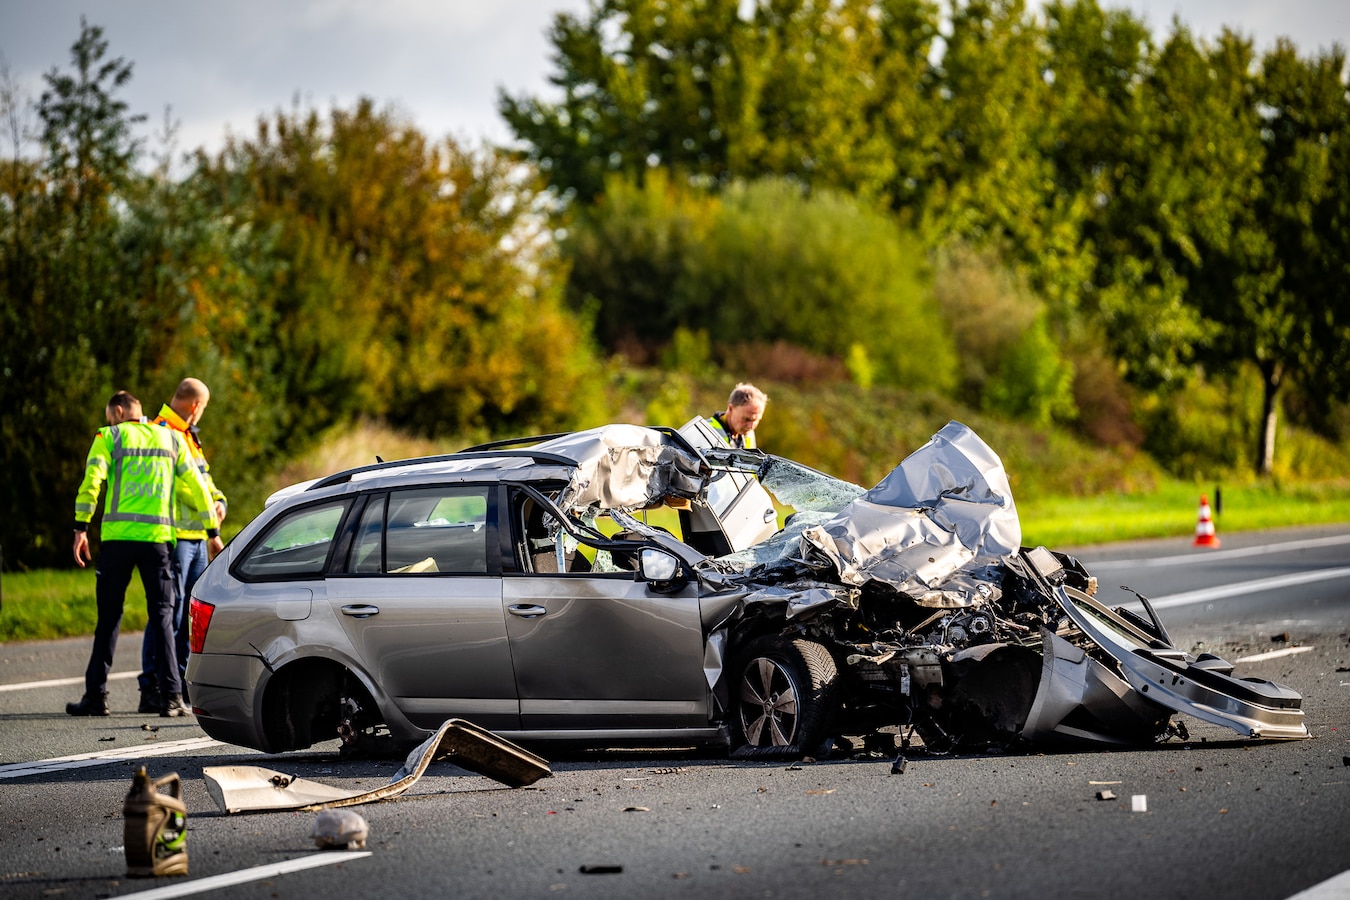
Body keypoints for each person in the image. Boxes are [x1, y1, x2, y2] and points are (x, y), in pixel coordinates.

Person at [69, 390, 222, 718]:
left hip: (116, 542)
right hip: (157, 542)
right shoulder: (171, 439)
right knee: (164, 619)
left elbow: (91, 482)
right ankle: (170, 698)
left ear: (119, 412)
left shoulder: (108, 436)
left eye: (111, 416)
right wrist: (213, 532)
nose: (110, 421)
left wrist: (80, 528)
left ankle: (96, 697)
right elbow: (197, 488)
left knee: (109, 620)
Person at [137, 378, 227, 713]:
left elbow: (205, 481)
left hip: (196, 537)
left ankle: (180, 682)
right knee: (167, 614)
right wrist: (208, 513)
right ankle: (153, 684)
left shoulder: (188, 435)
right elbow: (178, 487)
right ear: (195, 405)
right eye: (203, 407)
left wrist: (219, 503)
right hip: (174, 537)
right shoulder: (161, 432)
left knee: (189, 615)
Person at [707, 382, 767, 450]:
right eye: (746, 419)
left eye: (756, 420)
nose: (751, 426)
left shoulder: (748, 434)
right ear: (731, 408)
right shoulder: (707, 431)